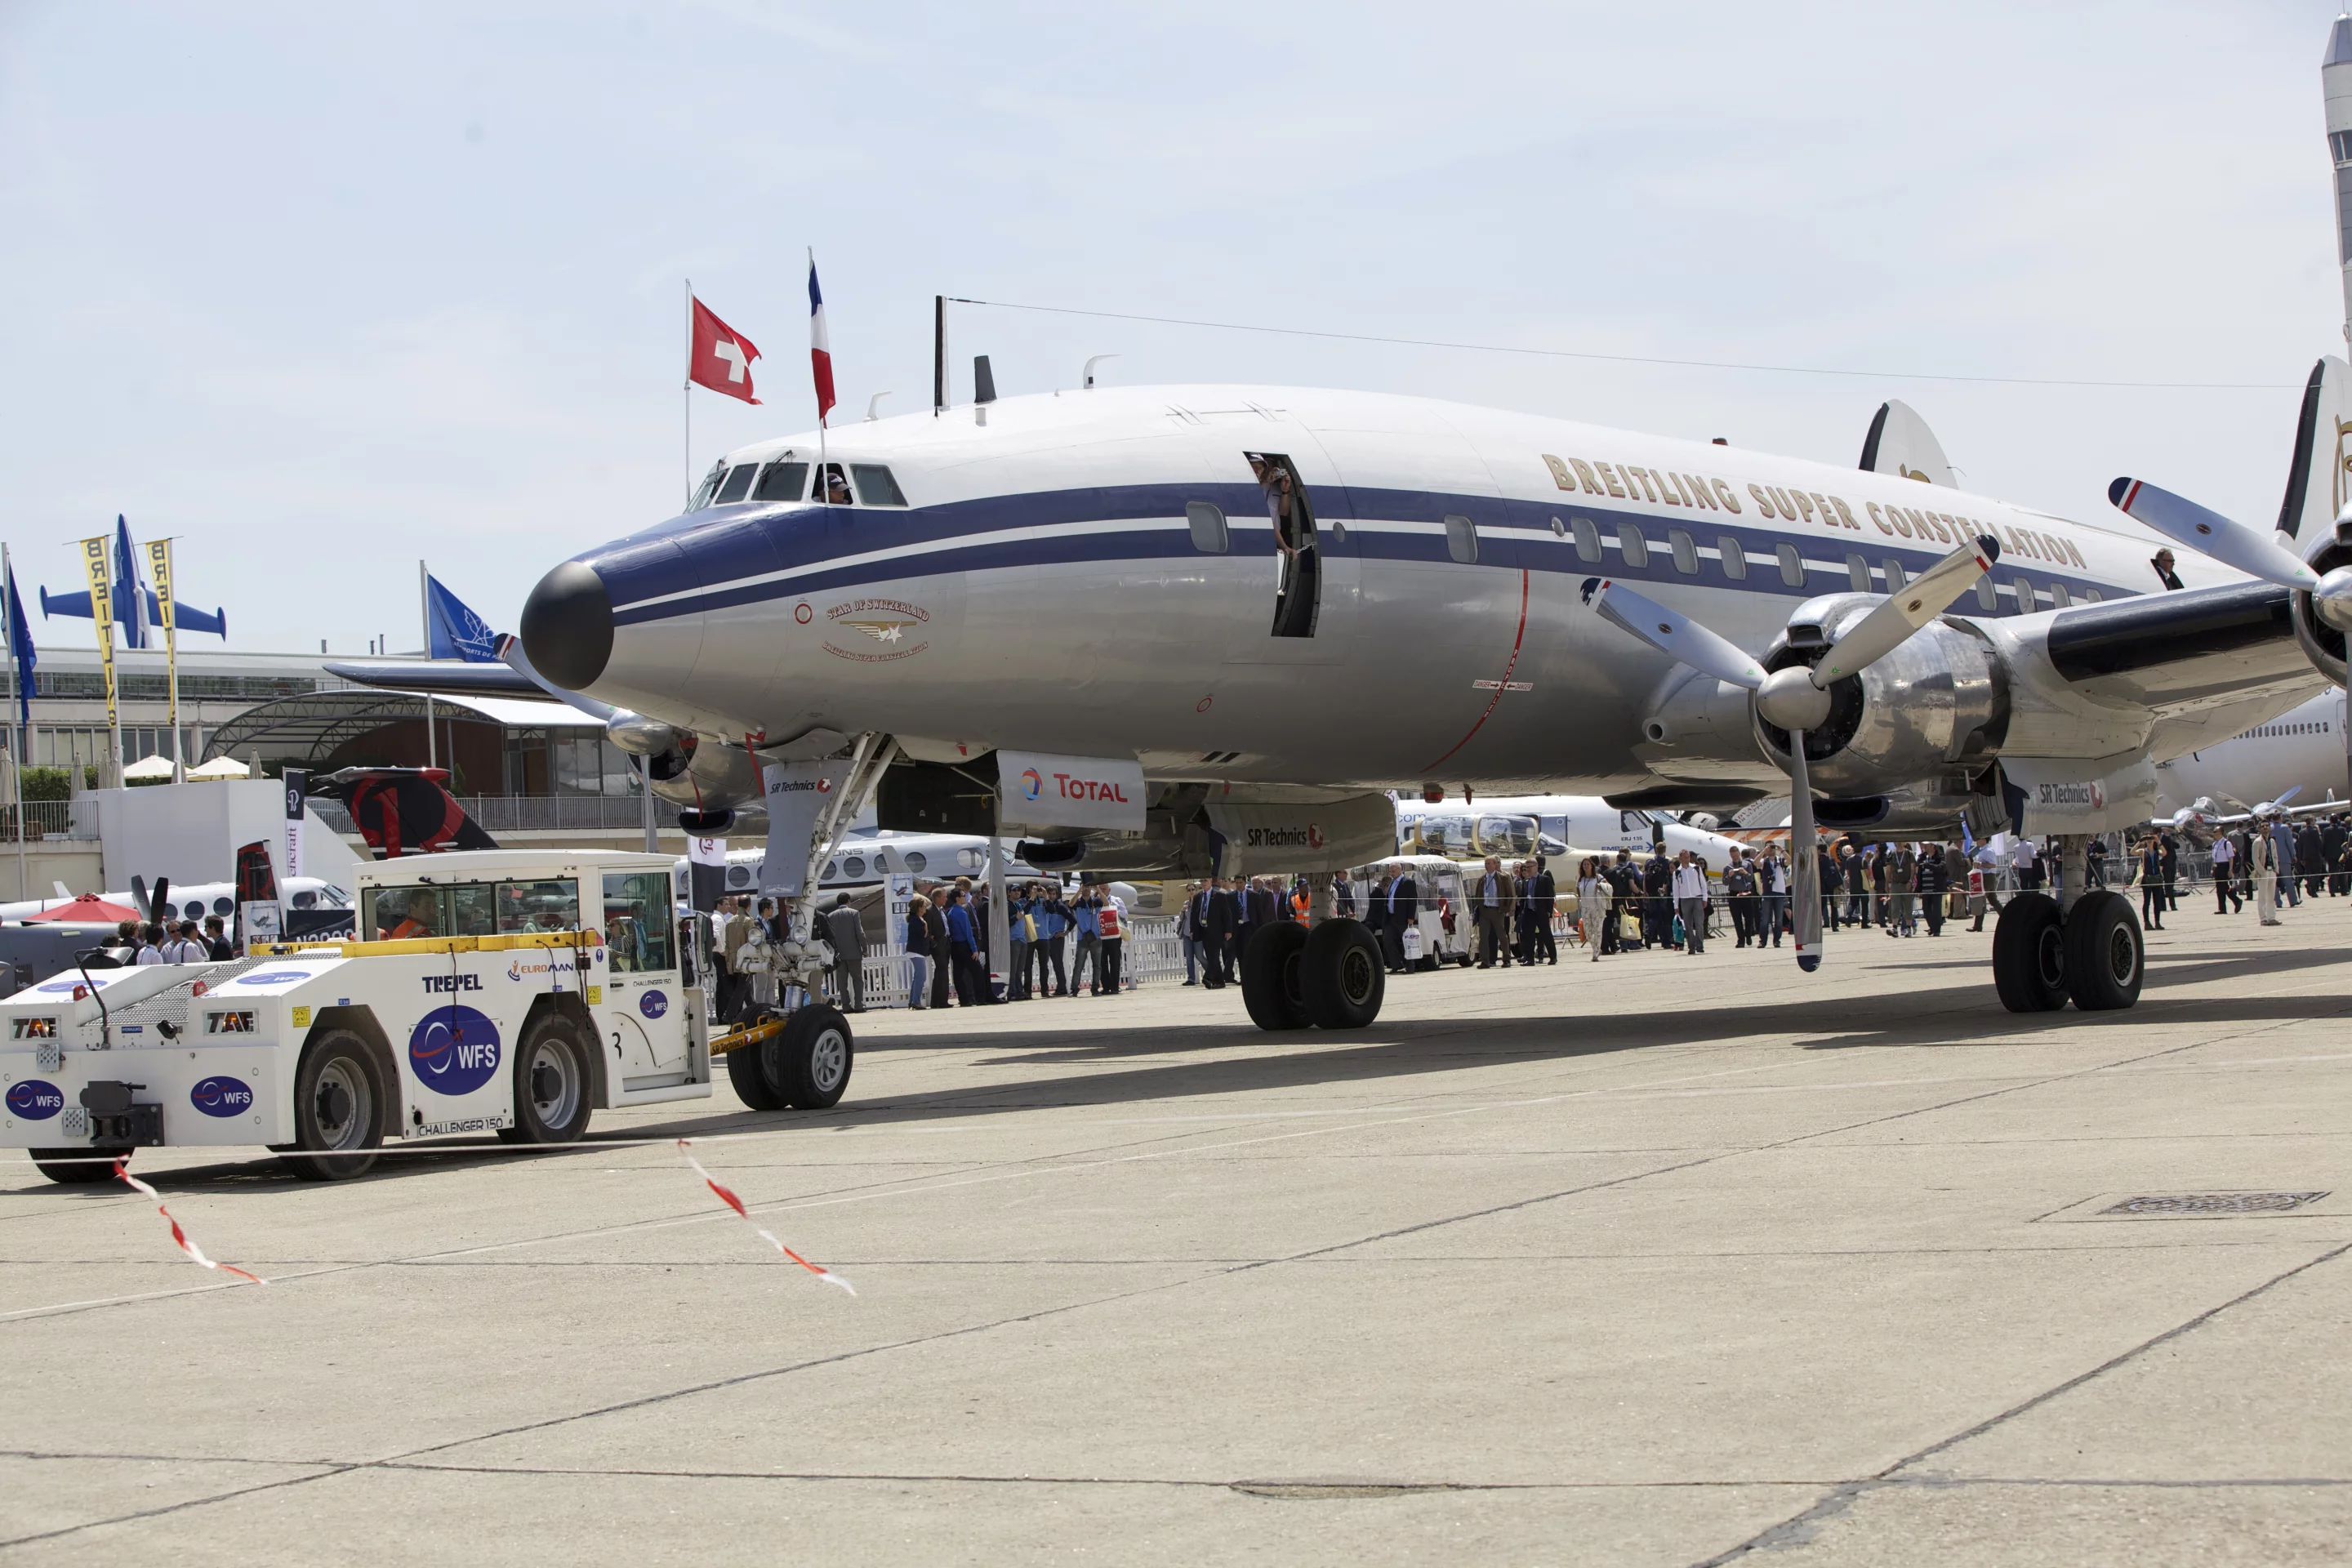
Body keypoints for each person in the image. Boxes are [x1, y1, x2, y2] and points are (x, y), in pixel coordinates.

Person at [1473, 857, 1515, 968]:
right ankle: (1485, 961)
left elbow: (1509, 895)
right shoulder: (1482, 879)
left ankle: (1506, 959)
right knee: (1483, 937)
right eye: (1485, 864)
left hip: (1497, 911)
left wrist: (1505, 909)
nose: (1487, 866)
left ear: (1495, 864)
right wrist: (1480, 908)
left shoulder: (1503, 878)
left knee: (1502, 936)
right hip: (1485, 911)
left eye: (1489, 864)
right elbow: (1477, 895)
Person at [1381, 866, 1419, 973]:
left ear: (1399, 870)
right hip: (1391, 917)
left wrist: (1411, 917)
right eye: (1390, 872)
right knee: (1387, 939)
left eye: (1393, 871)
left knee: (1407, 942)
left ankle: (1410, 967)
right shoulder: (1392, 882)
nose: (1391, 873)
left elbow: (1413, 900)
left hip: (1403, 917)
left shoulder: (1408, 882)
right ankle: (1397, 964)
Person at [1672, 851, 1708, 955]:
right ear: (1680, 859)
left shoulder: (1696, 869)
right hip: (1685, 900)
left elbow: (1703, 884)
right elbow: (1676, 890)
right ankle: (1691, 946)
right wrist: (1676, 905)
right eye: (1685, 857)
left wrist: (1705, 899)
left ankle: (1700, 945)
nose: (1687, 859)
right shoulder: (1677, 873)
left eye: (1688, 857)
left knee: (1699, 923)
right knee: (1688, 925)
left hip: (1697, 898)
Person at [903, 893, 934, 1009]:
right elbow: (922, 934)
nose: (926, 908)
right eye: (924, 906)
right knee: (921, 977)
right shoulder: (916, 920)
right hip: (916, 951)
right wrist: (926, 929)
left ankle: (912, 1000)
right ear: (919, 908)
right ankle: (916, 1001)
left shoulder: (918, 919)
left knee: (917, 977)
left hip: (917, 951)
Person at [1527, 857, 1558, 964]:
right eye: (1526, 867)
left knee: (1546, 935)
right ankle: (1530, 959)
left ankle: (1553, 957)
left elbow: (1550, 896)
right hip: (1530, 912)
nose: (1528, 869)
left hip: (1541, 912)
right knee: (1529, 936)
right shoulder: (1526, 881)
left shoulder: (1545, 879)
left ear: (1536, 867)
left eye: (1530, 867)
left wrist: (1549, 911)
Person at [1575, 858, 1605, 963]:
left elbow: (1608, 887)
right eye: (1584, 864)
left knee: (1597, 930)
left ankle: (1595, 953)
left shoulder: (1598, 877)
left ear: (1592, 866)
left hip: (1596, 907)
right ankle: (1597, 948)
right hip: (1585, 908)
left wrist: (1600, 886)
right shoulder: (1581, 879)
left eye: (1588, 864)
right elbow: (1578, 890)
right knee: (1587, 932)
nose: (1586, 866)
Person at [1096, 889, 1126, 995]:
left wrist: (1114, 910)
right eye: (1100, 889)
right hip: (1100, 936)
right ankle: (1106, 987)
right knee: (1101, 963)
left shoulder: (1116, 900)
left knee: (1115, 962)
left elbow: (1124, 914)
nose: (1102, 891)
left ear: (1109, 890)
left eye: (1104, 889)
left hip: (1114, 936)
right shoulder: (1095, 901)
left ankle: (1115, 987)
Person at [1724, 853, 1757, 947]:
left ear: (1739, 854)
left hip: (1746, 893)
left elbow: (1751, 879)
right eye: (1733, 856)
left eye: (1736, 856)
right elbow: (1725, 882)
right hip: (1734, 894)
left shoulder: (1747, 865)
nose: (1735, 858)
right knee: (1737, 919)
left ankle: (1748, 935)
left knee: (1749, 917)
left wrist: (1745, 873)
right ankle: (1741, 940)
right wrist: (1729, 876)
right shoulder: (1728, 867)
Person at [1917, 844, 1947, 937]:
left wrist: (1929, 866)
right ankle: (1932, 927)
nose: (1926, 847)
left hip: (1936, 888)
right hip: (1925, 889)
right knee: (1926, 910)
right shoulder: (1922, 858)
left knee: (1936, 910)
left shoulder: (1940, 858)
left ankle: (1937, 930)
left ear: (1933, 846)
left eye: (1928, 845)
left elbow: (1942, 868)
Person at [2210, 831, 2238, 914]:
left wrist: (2230, 869)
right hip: (2217, 866)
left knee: (2224, 887)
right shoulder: (2214, 844)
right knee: (2219, 889)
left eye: (2215, 832)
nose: (2214, 833)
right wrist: (2213, 868)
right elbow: (2214, 858)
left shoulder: (2227, 843)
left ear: (2221, 833)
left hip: (2225, 866)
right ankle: (2222, 909)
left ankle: (2237, 901)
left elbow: (2231, 857)